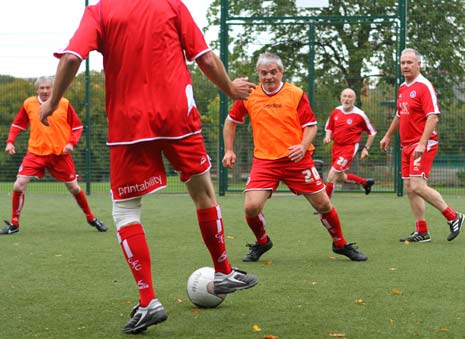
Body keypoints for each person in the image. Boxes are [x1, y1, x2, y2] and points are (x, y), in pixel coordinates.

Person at [39, 0, 258, 334]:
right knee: (203, 192)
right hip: (178, 115)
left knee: (126, 212)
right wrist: (229, 88)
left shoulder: (99, 11)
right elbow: (205, 57)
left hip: (129, 125)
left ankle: (148, 302)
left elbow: (71, 58)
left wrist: (52, 103)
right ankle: (224, 270)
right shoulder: (172, 4)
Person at [222, 52, 368, 264]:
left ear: (281, 72)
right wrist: (229, 150)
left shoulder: (296, 94)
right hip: (265, 161)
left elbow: (311, 126)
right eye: (264, 73)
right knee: (251, 207)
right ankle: (262, 241)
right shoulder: (249, 94)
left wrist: (302, 146)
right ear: (258, 74)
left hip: (297, 160)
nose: (269, 77)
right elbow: (230, 121)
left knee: (323, 205)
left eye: (273, 72)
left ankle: (340, 243)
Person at [1, 76, 107, 235]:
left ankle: (91, 218)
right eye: (41, 88)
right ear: (37, 90)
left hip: (60, 155)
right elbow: (17, 124)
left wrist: (71, 143)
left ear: (53, 89)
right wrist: (10, 141)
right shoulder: (29, 103)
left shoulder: (64, 103)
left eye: (47, 88)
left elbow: (77, 127)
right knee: (19, 185)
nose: (44, 91)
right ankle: (14, 224)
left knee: (74, 187)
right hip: (35, 153)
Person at [380, 48, 464, 243]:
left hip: (422, 144)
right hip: (407, 145)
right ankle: (422, 231)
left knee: (418, 185)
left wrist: (422, 143)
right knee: (410, 187)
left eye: (410, 62)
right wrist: (387, 135)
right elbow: (400, 114)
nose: (406, 66)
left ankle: (454, 217)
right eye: (403, 63)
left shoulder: (424, 86)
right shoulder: (402, 88)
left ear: (419, 64)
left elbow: (433, 117)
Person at [323, 88, 377, 198]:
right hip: (336, 147)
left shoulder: (359, 114)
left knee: (331, 175)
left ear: (354, 99)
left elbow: (372, 132)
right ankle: (366, 183)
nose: (347, 99)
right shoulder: (336, 111)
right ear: (341, 97)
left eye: (350, 97)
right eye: (345, 96)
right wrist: (327, 136)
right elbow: (329, 127)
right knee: (340, 177)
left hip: (349, 148)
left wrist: (366, 148)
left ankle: (324, 206)